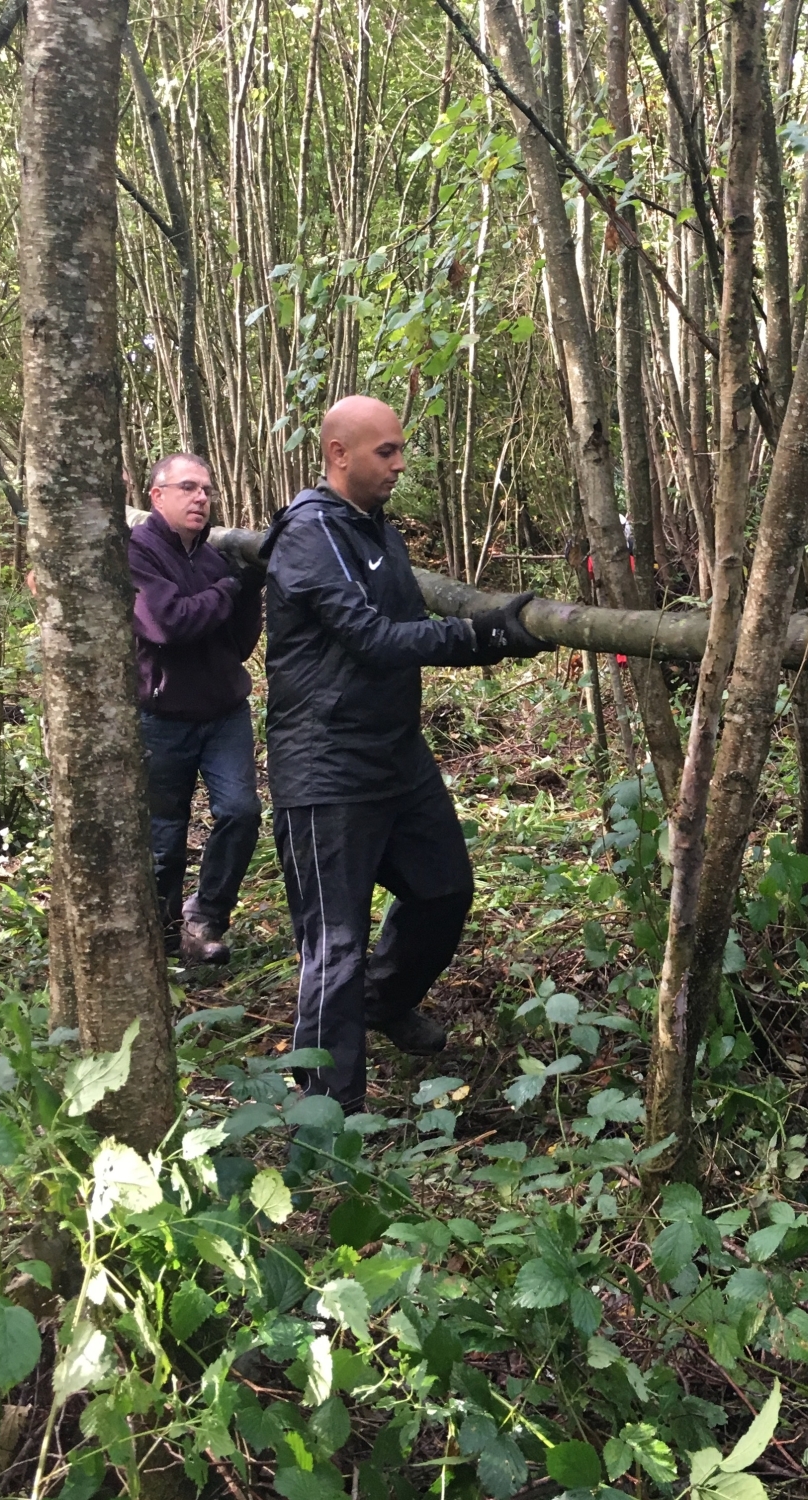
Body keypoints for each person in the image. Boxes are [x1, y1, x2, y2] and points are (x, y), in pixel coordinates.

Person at [260, 394, 548, 1113]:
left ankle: (383, 1003)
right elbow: (375, 638)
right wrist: (483, 636)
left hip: (395, 758)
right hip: (327, 769)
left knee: (443, 888)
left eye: (399, 448)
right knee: (335, 944)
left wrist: (476, 629)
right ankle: (329, 1115)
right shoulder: (309, 535)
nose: (398, 462)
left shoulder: (375, 531)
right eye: (385, 451)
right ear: (339, 456)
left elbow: (406, 620)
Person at [129, 453, 264, 965]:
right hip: (162, 717)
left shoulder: (212, 558)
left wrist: (247, 590)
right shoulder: (138, 552)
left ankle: (206, 916)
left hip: (224, 710)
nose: (201, 498)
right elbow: (167, 623)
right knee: (164, 838)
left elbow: (238, 644)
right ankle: (164, 939)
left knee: (241, 812)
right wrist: (229, 589)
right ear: (156, 495)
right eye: (188, 487)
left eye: (206, 489)